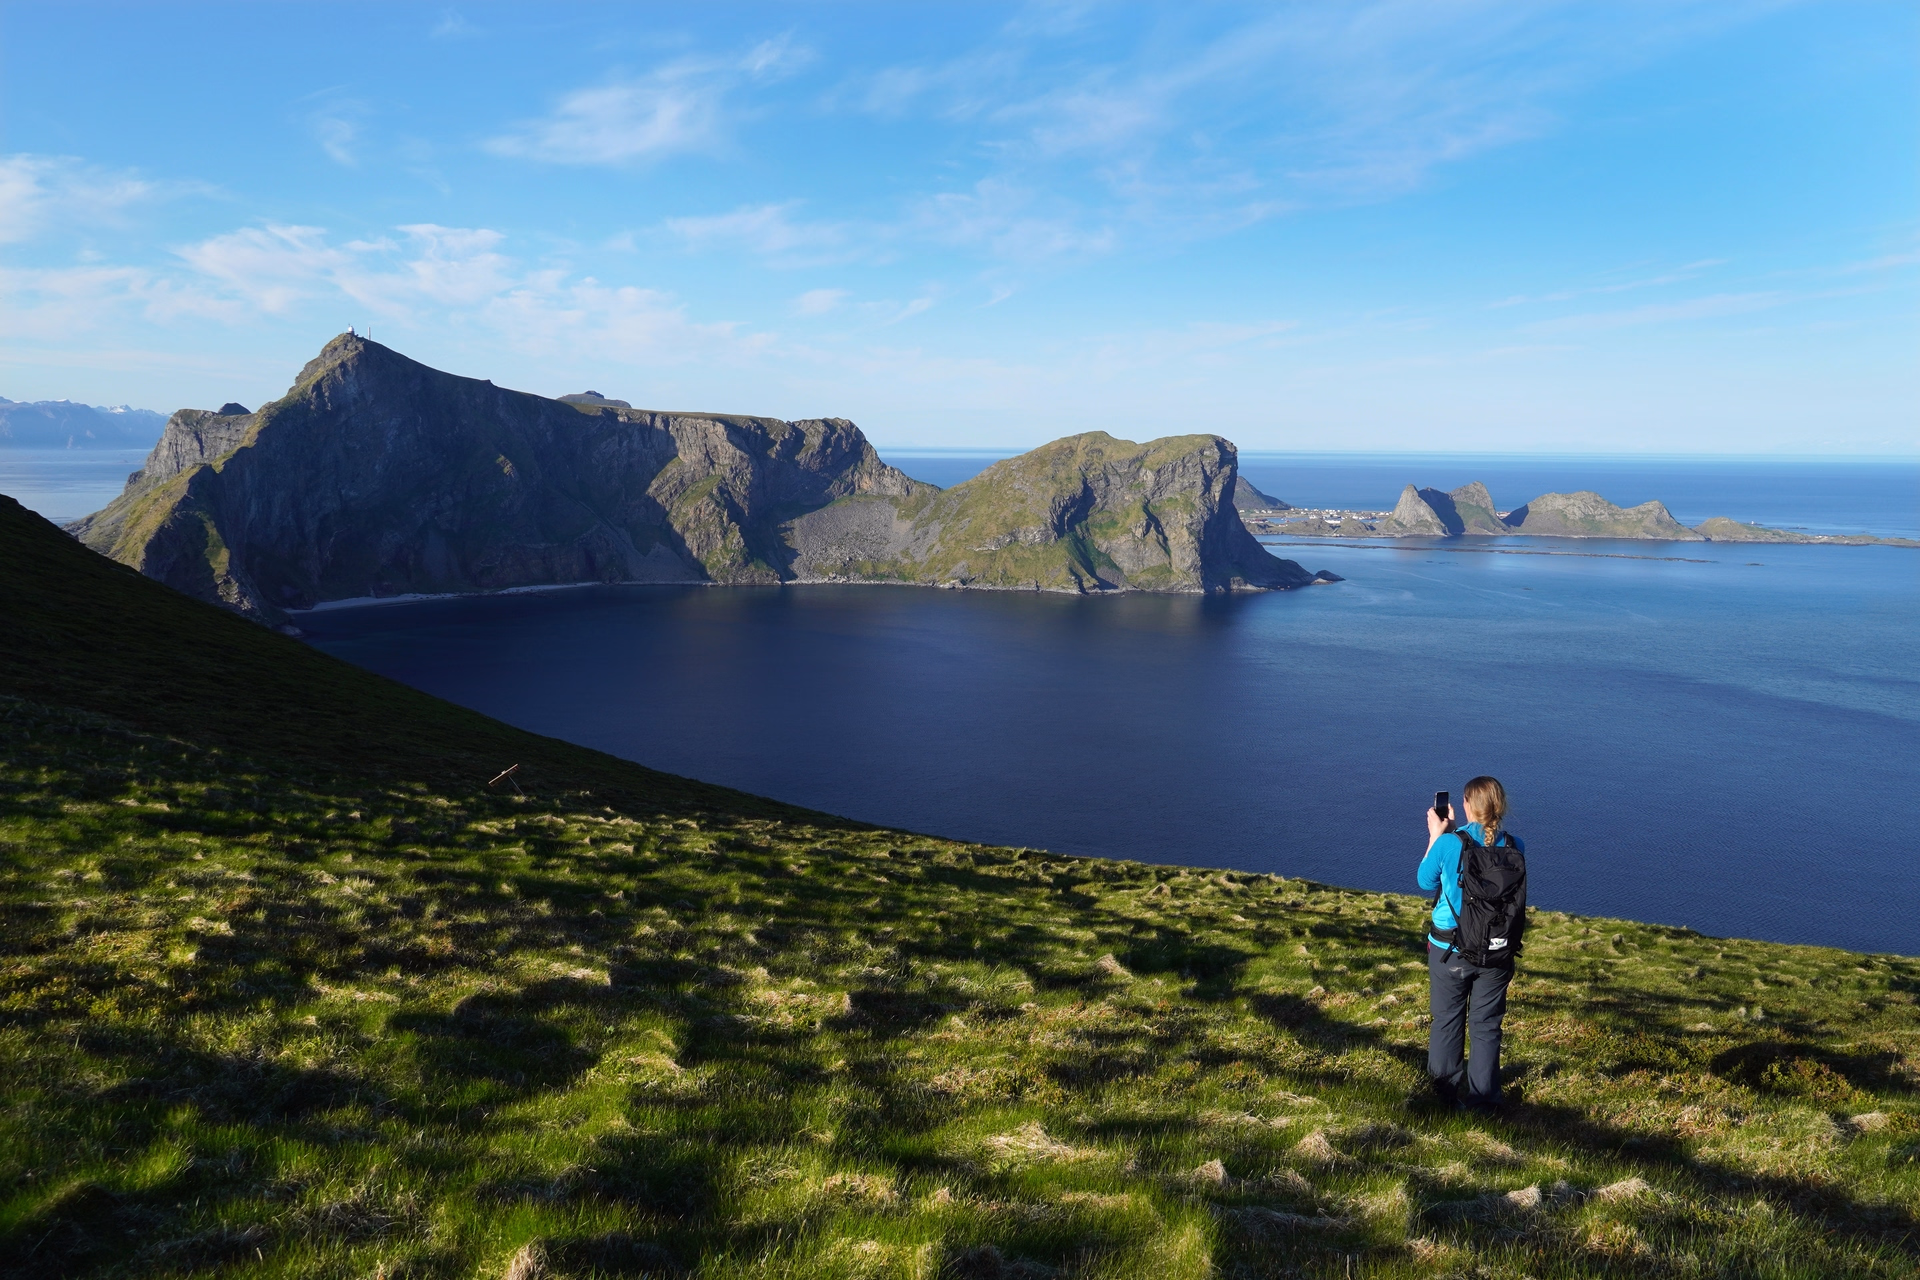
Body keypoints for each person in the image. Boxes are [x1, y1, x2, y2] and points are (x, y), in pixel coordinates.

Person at [1417, 775, 1525, 1111]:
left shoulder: (1451, 843)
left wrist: (1437, 835)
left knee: (1448, 1020)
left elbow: (1424, 880)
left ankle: (1443, 1099)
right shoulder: (1515, 845)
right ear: (1499, 806)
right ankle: (1485, 1102)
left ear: (1465, 805)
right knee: (1487, 1024)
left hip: (1451, 949)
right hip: (1497, 951)